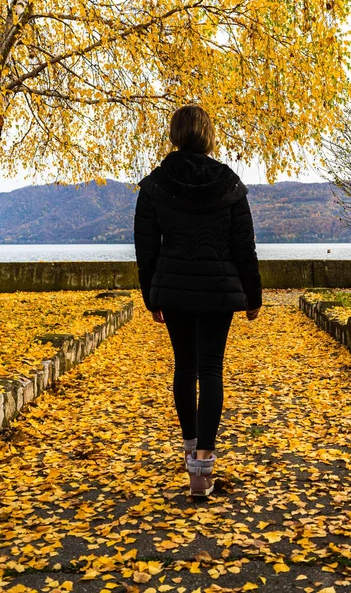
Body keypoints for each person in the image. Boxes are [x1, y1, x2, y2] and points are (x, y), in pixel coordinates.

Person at [133, 105, 262, 496]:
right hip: (217, 293)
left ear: (175, 134)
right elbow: (244, 245)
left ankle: (191, 453)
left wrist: (149, 295)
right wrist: (252, 295)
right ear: (208, 135)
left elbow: (145, 248)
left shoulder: (156, 184)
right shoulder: (228, 183)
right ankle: (203, 465)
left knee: (185, 368)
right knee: (211, 370)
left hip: (173, 291)